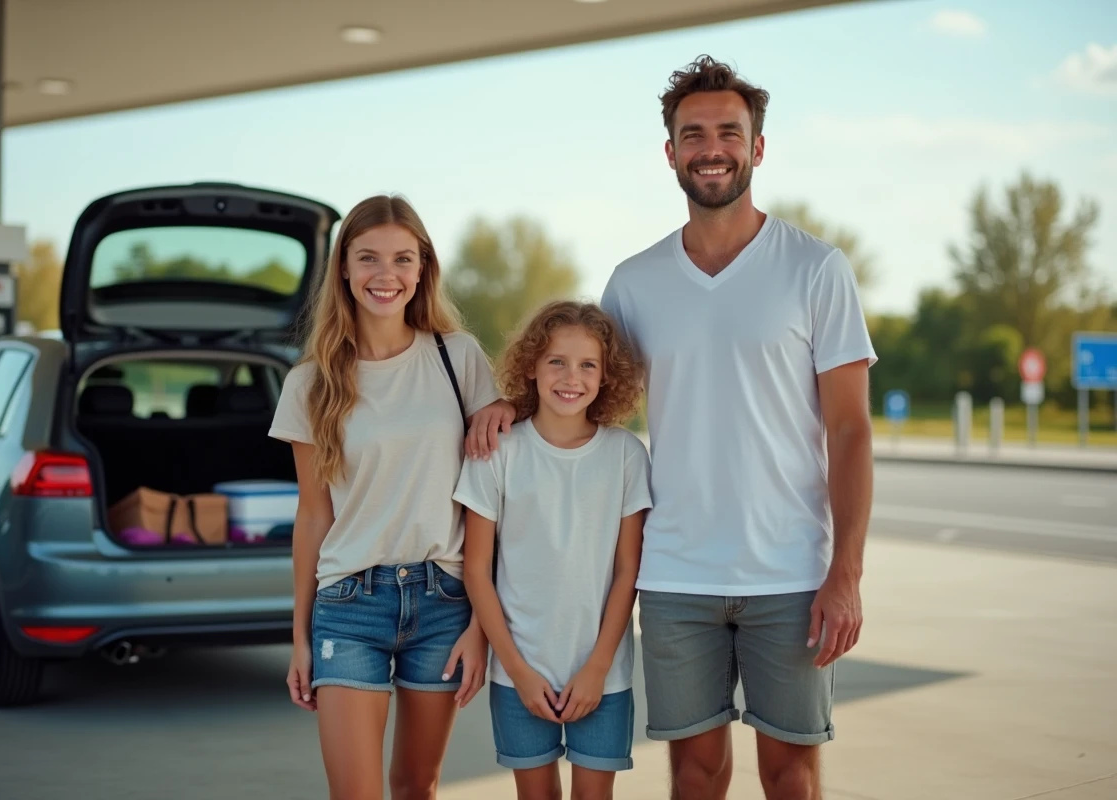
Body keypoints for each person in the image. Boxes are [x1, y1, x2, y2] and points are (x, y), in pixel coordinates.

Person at [600, 56, 877, 800]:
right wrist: (508, 409)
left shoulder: (816, 269)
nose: (711, 148)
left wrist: (845, 574)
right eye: (693, 134)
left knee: (790, 777)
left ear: (757, 147)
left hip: (791, 575)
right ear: (671, 153)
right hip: (674, 574)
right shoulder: (634, 282)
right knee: (695, 776)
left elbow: (850, 430)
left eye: (729, 131)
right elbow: (586, 404)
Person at [269, 194, 516, 800]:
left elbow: (491, 499)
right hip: (348, 603)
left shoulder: (458, 358)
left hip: (444, 600)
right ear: (344, 269)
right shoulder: (309, 383)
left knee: (416, 787)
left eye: (403, 258)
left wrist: (481, 625)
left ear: (423, 267)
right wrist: (299, 637)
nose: (387, 274)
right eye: (369, 258)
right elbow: (313, 514)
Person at [455, 300, 652, 800]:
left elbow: (628, 570)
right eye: (557, 361)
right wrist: (517, 671)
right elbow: (476, 570)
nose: (571, 377)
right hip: (518, 670)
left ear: (606, 376)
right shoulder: (497, 452)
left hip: (602, 675)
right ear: (531, 367)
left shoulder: (626, 455)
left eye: (588, 365)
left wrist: (598, 668)